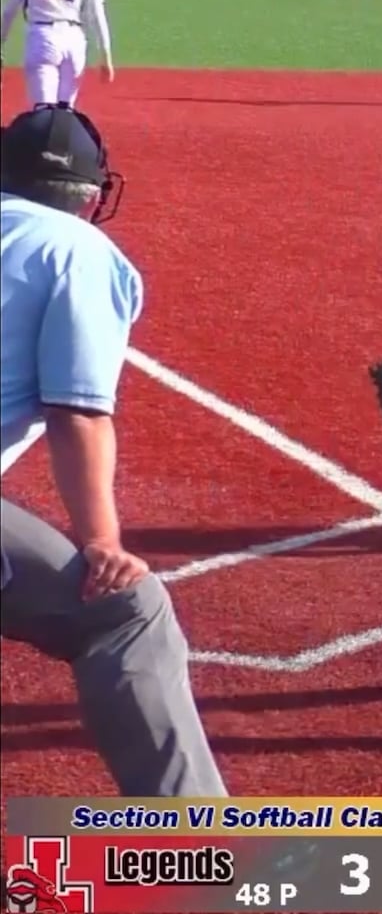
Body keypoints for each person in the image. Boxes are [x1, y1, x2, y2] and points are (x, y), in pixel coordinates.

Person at [0, 104, 227, 797]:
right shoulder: (79, 250)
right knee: (126, 611)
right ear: (91, 195)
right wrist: (102, 542)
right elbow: (77, 412)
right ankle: (199, 844)